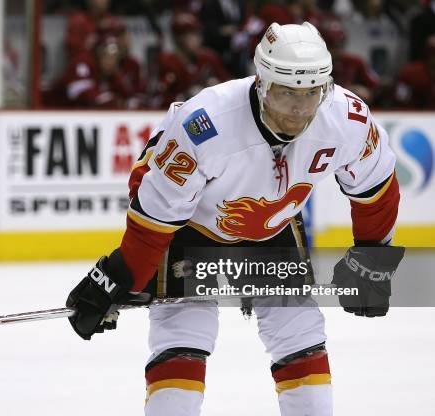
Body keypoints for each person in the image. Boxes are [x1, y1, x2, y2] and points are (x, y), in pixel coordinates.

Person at [65, 22, 404, 415]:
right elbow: (154, 205)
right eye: (286, 94)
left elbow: (376, 186)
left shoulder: (347, 118)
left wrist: (373, 255)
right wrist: (121, 274)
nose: (299, 109)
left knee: (300, 334)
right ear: (262, 82)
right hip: (191, 228)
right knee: (184, 335)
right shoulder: (205, 124)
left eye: (311, 94)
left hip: (273, 227)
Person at [155, 12, 229, 108]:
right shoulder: (167, 62)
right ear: (179, 39)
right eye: (191, 35)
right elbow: (158, 99)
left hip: (210, 114)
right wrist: (186, 97)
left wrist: (217, 87)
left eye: (197, 34)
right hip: (178, 117)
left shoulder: (209, 58)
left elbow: (229, 85)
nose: (197, 40)